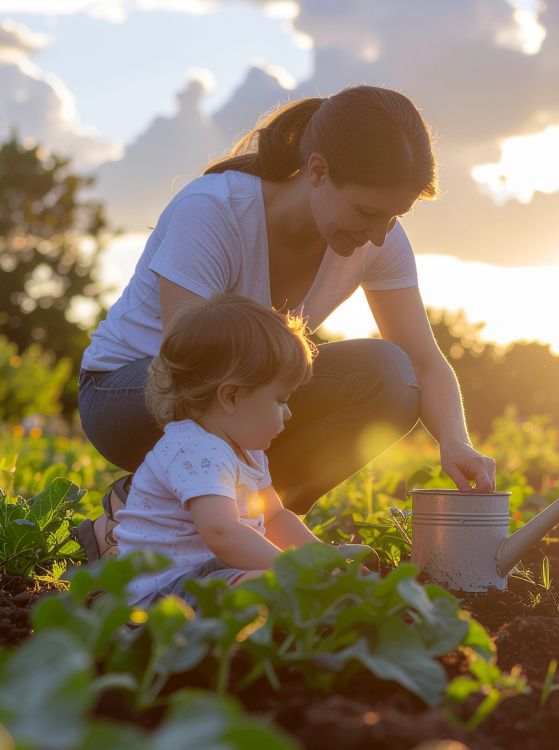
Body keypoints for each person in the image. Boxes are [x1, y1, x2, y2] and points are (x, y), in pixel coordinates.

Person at [74, 85, 496, 561]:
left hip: (237, 392)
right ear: (317, 170)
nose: (378, 234)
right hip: (133, 392)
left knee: (389, 377)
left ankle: (246, 531)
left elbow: (425, 363)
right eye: (368, 212)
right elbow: (190, 373)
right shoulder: (215, 210)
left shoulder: (378, 239)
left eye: (395, 217)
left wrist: (456, 442)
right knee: (231, 384)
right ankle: (145, 522)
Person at [114, 293, 371, 606]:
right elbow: (222, 533)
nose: (288, 413)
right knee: (266, 586)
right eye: (281, 400)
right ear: (232, 397)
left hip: (212, 574)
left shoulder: (246, 450)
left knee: (267, 583)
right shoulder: (196, 449)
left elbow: (274, 515)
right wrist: (296, 570)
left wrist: (320, 557)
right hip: (164, 591)